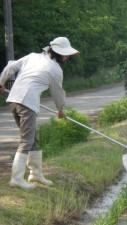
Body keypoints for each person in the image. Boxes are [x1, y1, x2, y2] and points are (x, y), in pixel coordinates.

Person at [0, 37, 79, 189]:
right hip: (27, 103)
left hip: (14, 100)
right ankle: (16, 179)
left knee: (32, 138)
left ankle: (35, 174)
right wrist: (61, 110)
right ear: (57, 53)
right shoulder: (55, 70)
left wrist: (1, 83)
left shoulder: (32, 56)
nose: (68, 57)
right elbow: (58, 93)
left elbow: (10, 68)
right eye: (66, 55)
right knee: (26, 141)